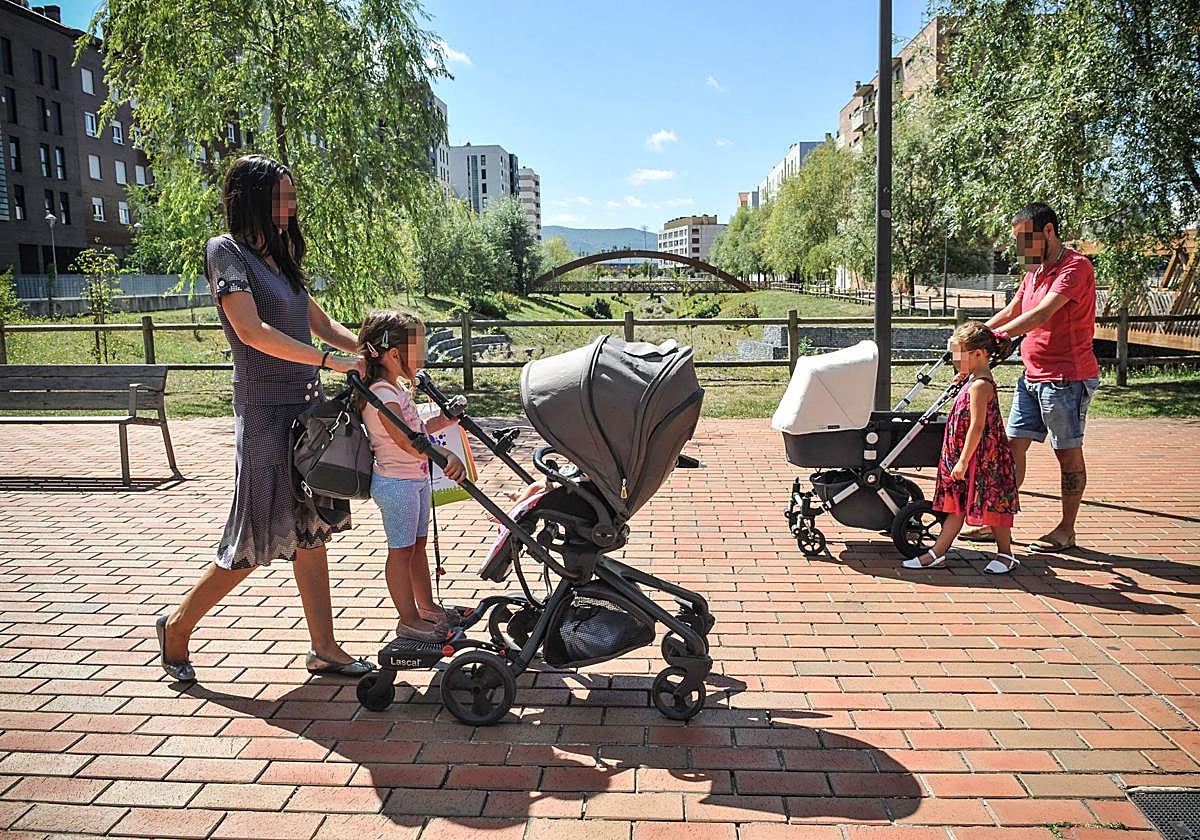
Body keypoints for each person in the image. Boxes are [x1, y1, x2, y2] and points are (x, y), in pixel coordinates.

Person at [156, 155, 375, 682]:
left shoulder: (280, 257)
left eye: (292, 196)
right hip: (263, 414)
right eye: (281, 196)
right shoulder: (225, 252)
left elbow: (317, 322)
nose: (291, 206)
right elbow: (252, 332)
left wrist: (369, 353)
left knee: (311, 530)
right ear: (251, 198)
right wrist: (331, 360)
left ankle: (323, 647)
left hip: (307, 413)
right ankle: (178, 627)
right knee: (255, 537)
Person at [961, 202, 1100, 551]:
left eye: (1024, 239)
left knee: (1067, 454)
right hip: (1032, 375)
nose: (1020, 248)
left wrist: (998, 338)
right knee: (1010, 449)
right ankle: (998, 521)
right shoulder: (1034, 272)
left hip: (1066, 378)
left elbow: (1041, 314)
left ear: (1048, 231)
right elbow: (1015, 309)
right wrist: (972, 334)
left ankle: (1067, 529)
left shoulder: (1075, 267)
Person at [357, 310, 469, 642]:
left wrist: (445, 418)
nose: (422, 357)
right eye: (417, 350)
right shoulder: (382, 394)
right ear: (394, 355)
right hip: (397, 485)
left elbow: (417, 424)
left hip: (414, 481)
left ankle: (427, 607)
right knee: (402, 551)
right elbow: (407, 440)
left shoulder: (395, 388)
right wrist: (444, 454)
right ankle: (407, 619)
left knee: (417, 547)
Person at [903, 322, 1021, 573]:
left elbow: (977, 427)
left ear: (978, 354)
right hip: (968, 455)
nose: (954, 361)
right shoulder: (972, 380)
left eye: (958, 356)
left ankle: (1006, 555)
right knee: (958, 503)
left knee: (992, 504)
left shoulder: (980, 385)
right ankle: (937, 553)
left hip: (981, 458)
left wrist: (963, 461)